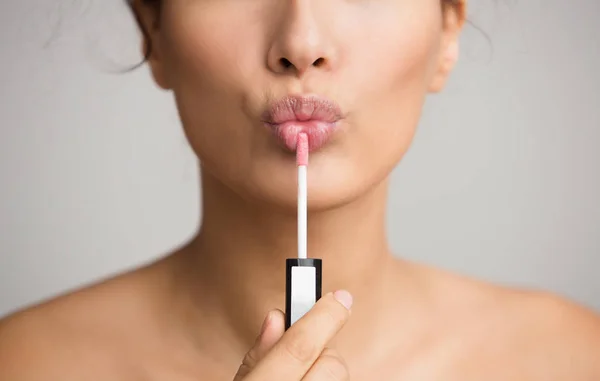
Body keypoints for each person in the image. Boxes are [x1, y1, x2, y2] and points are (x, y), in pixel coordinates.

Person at [1, 0, 599, 379]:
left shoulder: (578, 361)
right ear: (152, 27)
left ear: (448, 30)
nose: (301, 40)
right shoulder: (20, 365)